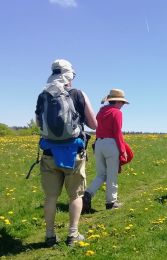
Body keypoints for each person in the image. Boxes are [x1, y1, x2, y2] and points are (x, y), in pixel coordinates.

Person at [35, 59, 97, 246]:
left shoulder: (43, 95)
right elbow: (94, 124)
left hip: (49, 153)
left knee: (51, 197)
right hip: (73, 153)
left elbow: (39, 123)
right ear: (70, 76)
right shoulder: (78, 94)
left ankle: (49, 236)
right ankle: (73, 234)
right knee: (75, 196)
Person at [83, 89, 129, 211]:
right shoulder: (117, 113)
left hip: (99, 143)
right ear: (117, 101)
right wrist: (122, 149)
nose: (123, 105)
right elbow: (117, 132)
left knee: (100, 174)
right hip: (111, 144)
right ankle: (111, 202)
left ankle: (87, 194)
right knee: (111, 175)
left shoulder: (101, 111)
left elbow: (97, 128)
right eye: (122, 103)